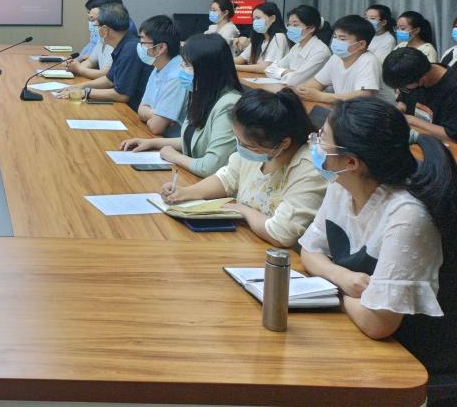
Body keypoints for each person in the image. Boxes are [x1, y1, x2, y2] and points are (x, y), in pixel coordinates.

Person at [299, 98, 457, 376]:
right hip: (356, 336)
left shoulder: (407, 215)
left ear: (351, 162)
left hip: (411, 360)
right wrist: (342, 278)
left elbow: (378, 322)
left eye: (322, 138)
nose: (316, 143)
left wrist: (330, 293)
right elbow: (309, 251)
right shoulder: (341, 185)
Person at [160, 88, 326, 247]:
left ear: (284, 143)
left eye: (248, 146)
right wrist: (186, 192)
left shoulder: (309, 168)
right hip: (246, 240)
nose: (240, 148)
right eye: (237, 140)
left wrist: (244, 211)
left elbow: (281, 234)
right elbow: (227, 178)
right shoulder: (259, 148)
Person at [121, 34, 242, 176]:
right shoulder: (202, 94)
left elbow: (210, 166)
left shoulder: (229, 105)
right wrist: (152, 143)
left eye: (187, 65)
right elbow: (192, 141)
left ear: (208, 70)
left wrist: (174, 157)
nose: (181, 69)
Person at [56, 3, 149, 110]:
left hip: (133, 112)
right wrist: (79, 87)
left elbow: (122, 95)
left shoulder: (130, 49)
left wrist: (86, 92)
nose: (94, 28)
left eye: (96, 26)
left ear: (104, 30)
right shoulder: (124, 44)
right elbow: (109, 80)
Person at [296, 15, 392, 104]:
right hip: (347, 109)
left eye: (342, 39)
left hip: (375, 113)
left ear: (361, 44)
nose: (336, 42)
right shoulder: (336, 58)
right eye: (335, 37)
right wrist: (306, 91)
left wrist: (321, 96)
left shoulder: (368, 60)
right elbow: (318, 82)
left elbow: (364, 95)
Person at [382, 47, 457, 142]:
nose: (402, 89)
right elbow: (403, 100)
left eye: (403, 87)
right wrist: (400, 109)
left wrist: (413, 121)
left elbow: (451, 136)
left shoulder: (452, 90)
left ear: (422, 80)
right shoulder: (414, 72)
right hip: (417, 137)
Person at [134, 15, 189, 137]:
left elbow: (156, 127)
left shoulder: (177, 75)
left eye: (143, 42)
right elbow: (141, 109)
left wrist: (155, 117)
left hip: (172, 143)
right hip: (157, 137)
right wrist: (157, 114)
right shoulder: (158, 67)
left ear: (161, 48)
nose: (140, 46)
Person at [265, 4, 331, 87]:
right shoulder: (297, 46)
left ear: (311, 28)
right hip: (289, 90)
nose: (290, 28)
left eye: (295, 25)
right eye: (289, 25)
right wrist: (288, 72)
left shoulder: (320, 51)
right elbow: (269, 70)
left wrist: (285, 72)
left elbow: (293, 81)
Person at [66, 0, 121, 78]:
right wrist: (75, 68)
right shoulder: (103, 36)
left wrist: (79, 69)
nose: (94, 24)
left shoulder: (116, 38)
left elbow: (107, 75)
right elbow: (91, 61)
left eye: (95, 19)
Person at [235, 2, 291, 73]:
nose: (255, 22)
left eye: (258, 18)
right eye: (253, 19)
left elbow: (265, 67)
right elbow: (240, 59)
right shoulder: (259, 38)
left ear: (272, 18)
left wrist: (233, 67)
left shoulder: (279, 37)